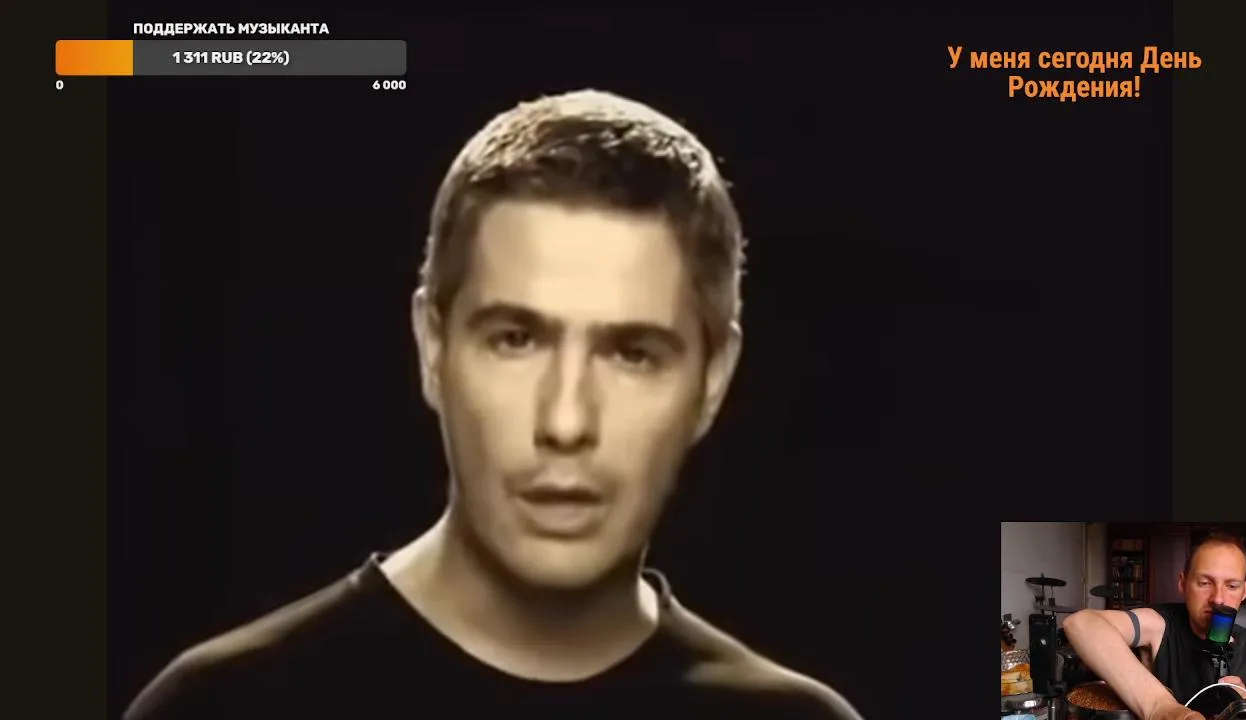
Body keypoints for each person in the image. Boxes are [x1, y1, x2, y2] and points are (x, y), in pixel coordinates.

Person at [123, 89, 862, 719]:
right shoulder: (222, 707)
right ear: (432, 346)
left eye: (632, 353)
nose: (565, 421)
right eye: (516, 339)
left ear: (713, 380)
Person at [1064, 531, 1246, 720]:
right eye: (1204, 583)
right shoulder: (1159, 625)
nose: (1218, 599)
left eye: (1232, 586)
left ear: (1245, 590)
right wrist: (1160, 707)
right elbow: (1081, 623)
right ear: (1183, 583)